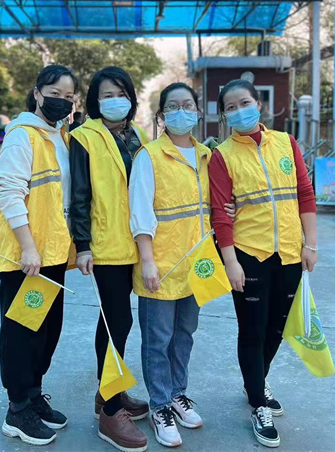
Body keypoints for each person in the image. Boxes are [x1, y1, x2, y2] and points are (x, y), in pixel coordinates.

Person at [208, 79, 317, 449]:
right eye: (231, 107)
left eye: (245, 102)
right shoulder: (222, 156)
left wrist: (311, 244)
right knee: (252, 331)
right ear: (224, 115)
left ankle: (255, 381)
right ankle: (258, 403)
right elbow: (220, 215)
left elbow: (305, 194)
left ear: (258, 104)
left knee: (277, 329)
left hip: (289, 253)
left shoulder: (286, 143)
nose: (240, 111)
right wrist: (230, 262)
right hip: (249, 255)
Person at [0, 65, 78, 446]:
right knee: (22, 333)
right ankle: (17, 409)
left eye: (68, 96)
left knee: (46, 331)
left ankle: (33, 394)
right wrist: (27, 246)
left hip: (53, 253)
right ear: (38, 93)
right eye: (55, 93)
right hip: (27, 258)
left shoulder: (60, 137)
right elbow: (9, 191)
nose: (62, 101)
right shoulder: (22, 135)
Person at [69, 67, 150, 452]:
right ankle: (111, 412)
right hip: (105, 244)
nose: (116, 100)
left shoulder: (138, 136)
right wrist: (82, 244)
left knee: (117, 319)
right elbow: (79, 194)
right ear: (94, 101)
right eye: (107, 95)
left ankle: (108, 393)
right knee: (118, 320)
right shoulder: (84, 137)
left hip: (136, 241)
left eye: (121, 93)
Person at [129, 82, 211, 448]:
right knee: (157, 340)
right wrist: (147, 261)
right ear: (162, 116)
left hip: (196, 267)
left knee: (184, 336)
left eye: (188, 104)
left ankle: (178, 393)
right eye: (173, 106)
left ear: (198, 111)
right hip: (160, 266)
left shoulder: (207, 155)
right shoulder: (149, 156)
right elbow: (140, 212)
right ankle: (160, 405)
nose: (182, 111)